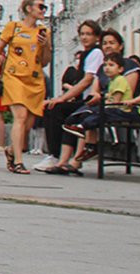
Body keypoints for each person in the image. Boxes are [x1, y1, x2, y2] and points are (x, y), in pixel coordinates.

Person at [0, 0, 49, 174]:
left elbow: (45, 61)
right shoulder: (13, 27)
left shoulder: (44, 32)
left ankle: (11, 150)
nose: (43, 10)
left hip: (35, 80)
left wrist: (46, 45)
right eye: (40, 6)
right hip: (14, 76)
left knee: (27, 124)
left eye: (44, 7)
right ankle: (18, 161)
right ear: (28, 9)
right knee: (20, 117)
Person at [35, 19, 103, 173]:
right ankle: (55, 154)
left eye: (89, 34)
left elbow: (87, 80)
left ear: (97, 37)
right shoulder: (85, 54)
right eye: (82, 34)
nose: (84, 37)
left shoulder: (96, 53)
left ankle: (56, 155)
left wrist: (62, 98)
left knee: (57, 109)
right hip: (81, 100)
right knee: (52, 108)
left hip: (89, 101)